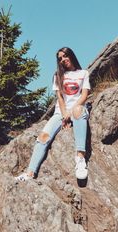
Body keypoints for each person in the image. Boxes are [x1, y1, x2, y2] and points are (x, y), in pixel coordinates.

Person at [16, 47, 91, 181]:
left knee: (78, 110)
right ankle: (30, 173)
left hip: (77, 109)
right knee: (43, 137)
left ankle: (80, 159)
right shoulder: (58, 76)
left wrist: (71, 112)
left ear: (71, 56)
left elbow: (84, 95)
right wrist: (64, 116)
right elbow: (60, 98)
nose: (63, 60)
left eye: (65, 56)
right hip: (60, 113)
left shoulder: (83, 73)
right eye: (60, 58)